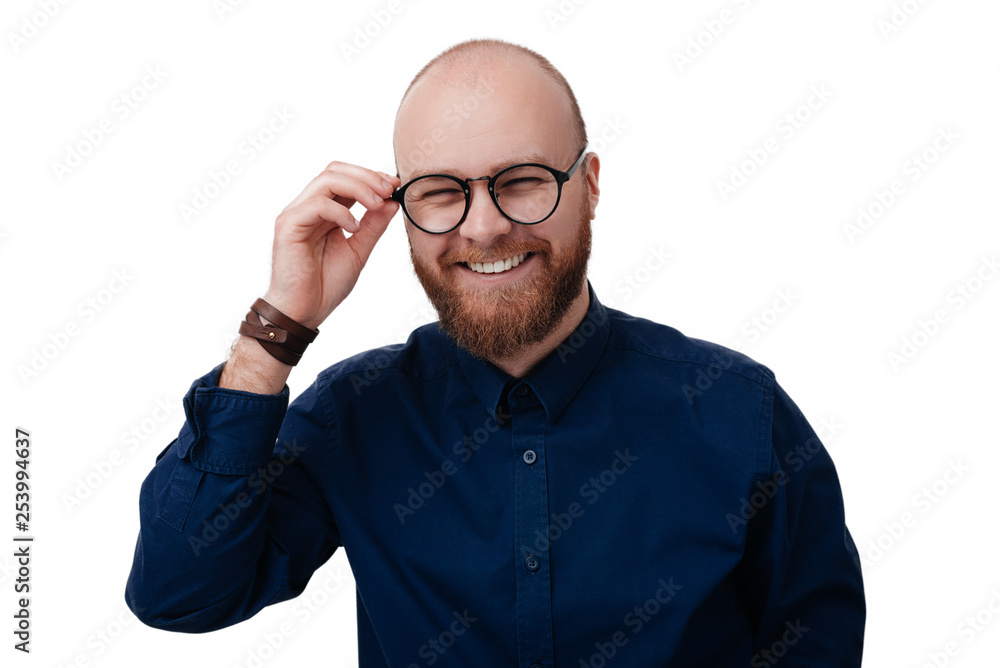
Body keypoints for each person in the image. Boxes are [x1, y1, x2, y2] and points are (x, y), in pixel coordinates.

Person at [125, 38, 865, 666]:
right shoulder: (353, 416)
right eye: (443, 191)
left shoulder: (741, 415)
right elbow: (181, 595)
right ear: (402, 208)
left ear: (591, 185)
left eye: (521, 181)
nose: (483, 227)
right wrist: (276, 329)